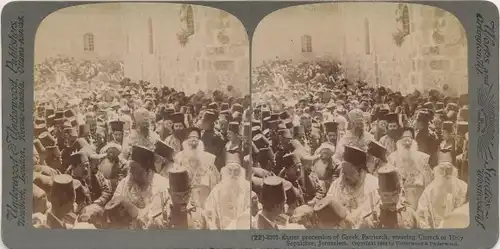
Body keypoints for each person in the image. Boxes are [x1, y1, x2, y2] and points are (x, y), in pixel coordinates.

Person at [113, 145, 170, 225]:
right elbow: (115, 201)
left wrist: (130, 208)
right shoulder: (125, 182)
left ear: (146, 171)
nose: (131, 173)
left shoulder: (162, 185)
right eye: (130, 169)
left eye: (134, 169)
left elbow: (155, 216)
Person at [327, 145, 378, 225]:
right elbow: (329, 202)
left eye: (349, 173)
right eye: (343, 172)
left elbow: (371, 211)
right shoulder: (338, 183)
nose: (344, 177)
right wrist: (343, 214)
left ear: (360, 171)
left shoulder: (373, 184)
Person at [416, 152, 468, 229]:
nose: (445, 173)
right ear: (436, 170)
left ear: (454, 170)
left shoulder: (464, 187)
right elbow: (421, 216)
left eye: (448, 169)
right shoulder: (429, 190)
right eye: (441, 169)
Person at [175, 127, 220, 208]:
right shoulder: (179, 158)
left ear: (200, 142)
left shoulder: (209, 159)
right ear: (185, 142)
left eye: (196, 138)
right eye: (190, 137)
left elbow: (214, 185)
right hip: (185, 201)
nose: (193, 140)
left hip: (204, 200)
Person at [204, 162, 251, 230]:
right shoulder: (217, 190)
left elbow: (250, 212)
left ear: (241, 172)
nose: (232, 174)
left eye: (236, 171)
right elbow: (209, 212)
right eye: (229, 171)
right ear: (224, 172)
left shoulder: (248, 188)